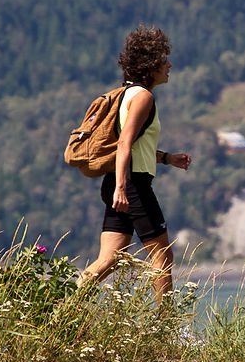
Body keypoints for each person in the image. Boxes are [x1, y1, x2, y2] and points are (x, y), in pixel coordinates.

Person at [81, 24, 191, 302]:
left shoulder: (126, 94)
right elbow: (124, 144)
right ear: (149, 65)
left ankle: (62, 305)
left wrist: (167, 158)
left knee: (109, 260)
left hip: (119, 182)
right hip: (132, 185)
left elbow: (134, 146)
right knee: (162, 255)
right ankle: (165, 322)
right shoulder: (143, 97)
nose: (169, 65)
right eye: (164, 60)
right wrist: (122, 187)